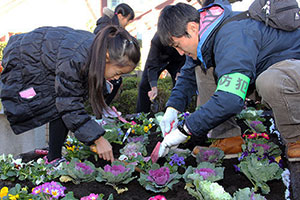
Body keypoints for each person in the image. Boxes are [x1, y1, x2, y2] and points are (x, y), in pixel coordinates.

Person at [156, 1, 300, 161]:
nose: (180, 53)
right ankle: (228, 139)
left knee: (271, 81)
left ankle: (296, 138)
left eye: (178, 45)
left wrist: (184, 131)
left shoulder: (232, 35)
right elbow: (188, 73)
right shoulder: (206, 36)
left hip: (292, 68)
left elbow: (230, 99)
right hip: (262, 70)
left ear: (192, 28)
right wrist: (172, 109)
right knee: (203, 69)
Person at [0, 25, 140, 165]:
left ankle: (53, 155)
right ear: (107, 57)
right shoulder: (76, 59)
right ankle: (53, 158)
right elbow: (69, 104)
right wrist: (97, 139)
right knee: (57, 103)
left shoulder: (95, 52)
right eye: (117, 73)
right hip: (25, 59)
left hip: (41, 55)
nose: (117, 78)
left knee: (61, 101)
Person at [94, 3, 135, 106]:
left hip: (105, 65)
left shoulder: (113, 28)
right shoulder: (106, 28)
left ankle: (103, 109)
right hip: (99, 65)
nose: (128, 23)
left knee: (117, 81)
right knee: (114, 82)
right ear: (120, 16)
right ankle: (100, 111)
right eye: (128, 20)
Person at [136, 32, 186, 113]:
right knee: (145, 85)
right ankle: (141, 116)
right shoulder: (157, 39)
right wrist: (153, 87)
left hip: (177, 60)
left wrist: (180, 70)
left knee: (180, 83)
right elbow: (152, 65)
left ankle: (179, 114)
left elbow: (185, 56)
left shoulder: (182, 34)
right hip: (158, 59)